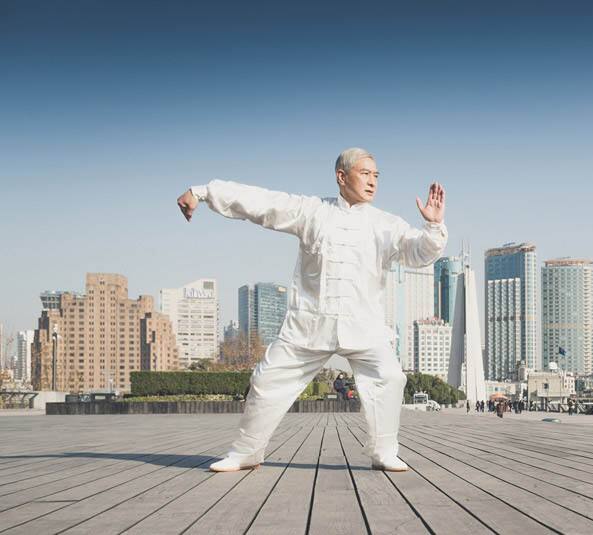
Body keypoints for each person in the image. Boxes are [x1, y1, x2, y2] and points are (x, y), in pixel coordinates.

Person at [178, 148, 448, 473]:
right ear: (341, 177)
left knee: (390, 377)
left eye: (376, 175)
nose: (372, 181)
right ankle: (246, 452)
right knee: (265, 381)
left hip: (364, 327)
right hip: (309, 326)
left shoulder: (386, 224)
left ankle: (384, 452)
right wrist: (203, 192)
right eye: (365, 174)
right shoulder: (312, 212)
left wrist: (433, 227)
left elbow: (418, 253)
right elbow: (263, 203)